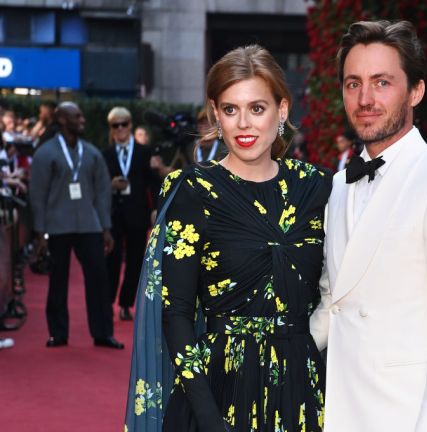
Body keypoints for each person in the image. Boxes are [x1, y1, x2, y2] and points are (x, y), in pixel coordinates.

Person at [125, 45, 331, 432]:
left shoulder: (317, 187)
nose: (244, 124)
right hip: (217, 390)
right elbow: (176, 314)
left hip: (300, 390)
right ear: (215, 114)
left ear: (282, 110)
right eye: (231, 109)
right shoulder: (194, 190)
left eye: (257, 108)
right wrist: (208, 418)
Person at [310, 20, 427, 432]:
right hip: (343, 408)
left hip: (407, 415)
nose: (365, 98)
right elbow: (334, 300)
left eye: (382, 82)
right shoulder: (338, 185)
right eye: (353, 83)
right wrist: (271, 353)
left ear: (416, 91)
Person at [29, 102, 123, 349]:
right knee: (57, 280)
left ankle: (103, 333)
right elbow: (37, 194)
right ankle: (58, 333)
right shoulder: (45, 153)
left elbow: (102, 192)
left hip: (89, 225)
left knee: (99, 279)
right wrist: (39, 232)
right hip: (57, 225)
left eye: (82, 116)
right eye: (77, 116)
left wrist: (106, 227)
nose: (82, 120)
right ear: (62, 120)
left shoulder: (91, 153)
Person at [102, 107, 158, 321]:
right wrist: (110, 184)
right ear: (110, 128)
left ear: (130, 125)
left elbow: (154, 183)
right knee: (112, 260)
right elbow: (98, 184)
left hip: (138, 213)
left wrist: (156, 208)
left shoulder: (145, 152)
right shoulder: (105, 154)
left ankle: (126, 304)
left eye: (123, 124)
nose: (120, 129)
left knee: (135, 261)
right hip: (114, 214)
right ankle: (107, 303)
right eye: (115, 125)